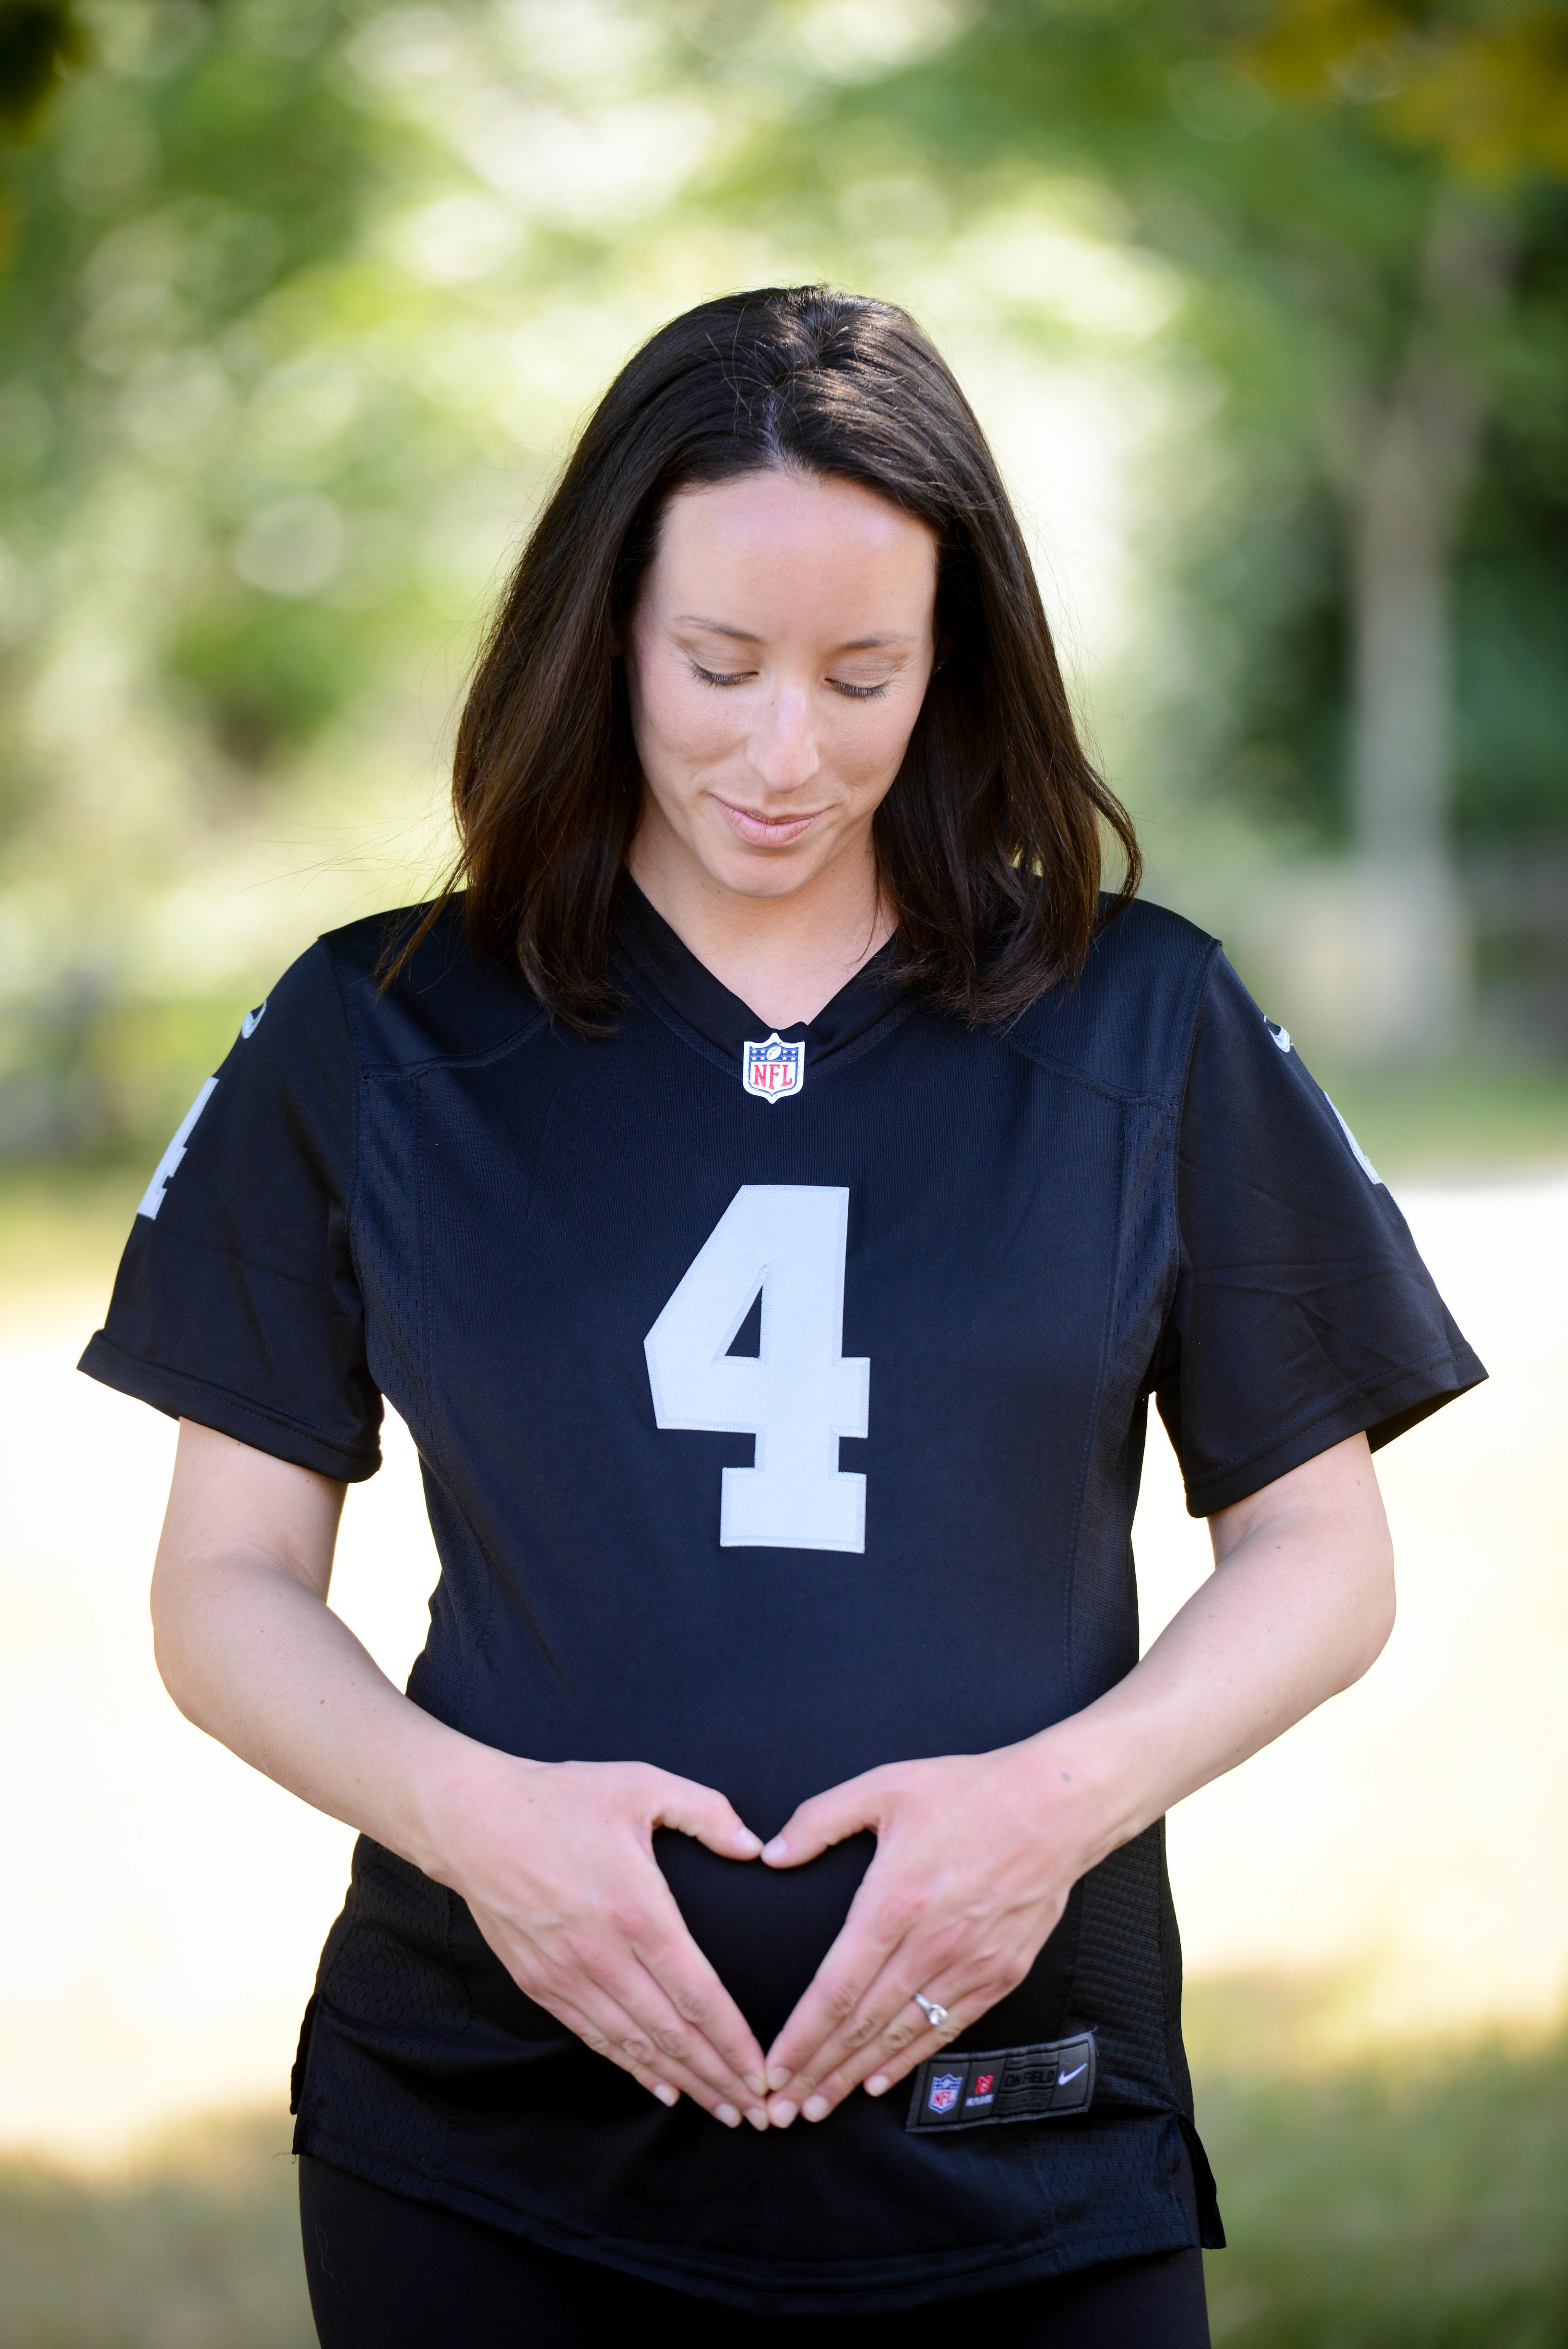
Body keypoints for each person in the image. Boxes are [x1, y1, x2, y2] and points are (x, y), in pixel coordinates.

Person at [80, 286, 1485, 2346]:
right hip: (484, 2145)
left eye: (863, 674)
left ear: (960, 657)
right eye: (717, 664)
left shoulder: (1141, 1019)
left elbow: (1320, 1550)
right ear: (603, 633)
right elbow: (224, 1586)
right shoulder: (377, 1038)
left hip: (1026, 2132)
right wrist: (480, 1824)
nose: (783, 750)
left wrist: (1050, 1811)